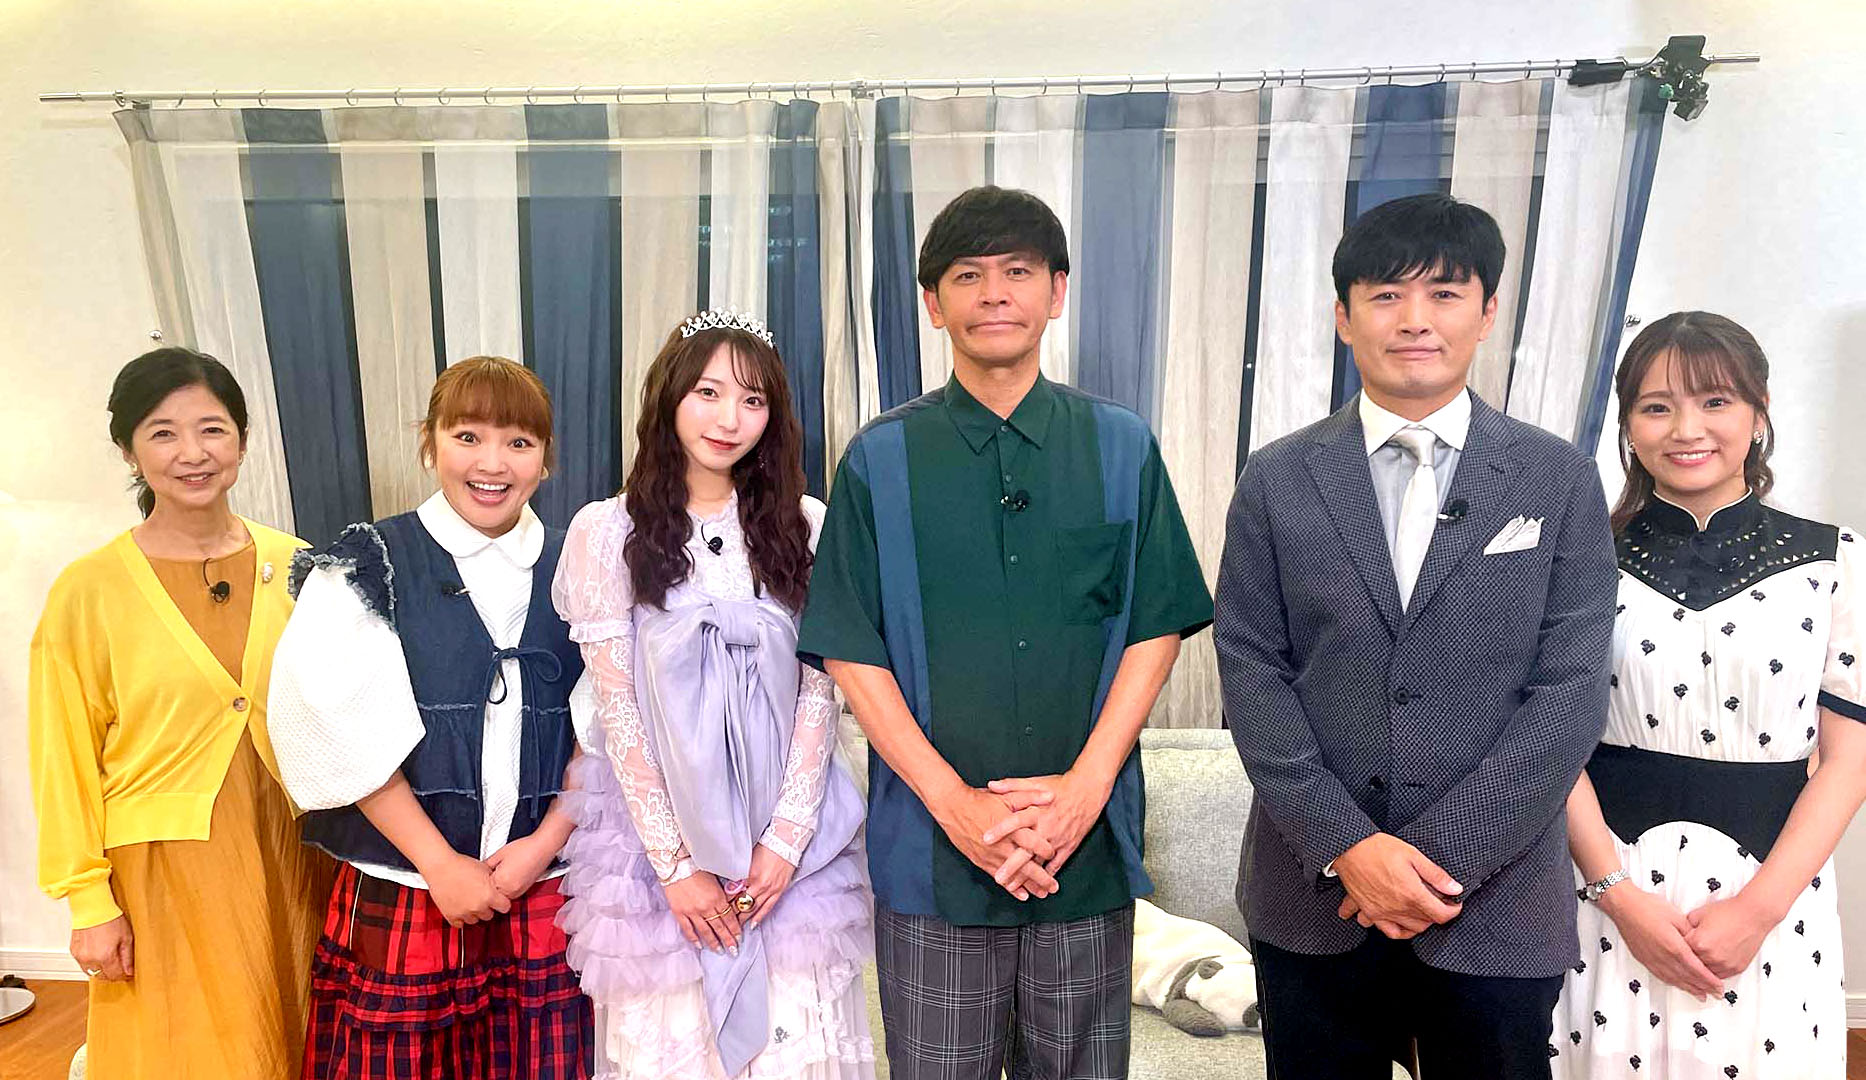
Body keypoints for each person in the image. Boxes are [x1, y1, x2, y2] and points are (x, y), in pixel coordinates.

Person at [798, 186, 1213, 1080]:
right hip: (934, 858)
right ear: (932, 302)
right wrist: (959, 807)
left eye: (1018, 271)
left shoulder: (1121, 445)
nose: (994, 293)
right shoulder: (879, 459)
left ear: (1056, 291)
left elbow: (1155, 626)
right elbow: (850, 649)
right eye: (968, 275)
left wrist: (1082, 793)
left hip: (1083, 851)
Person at [1214, 192, 1619, 1079]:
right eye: (1386, 295)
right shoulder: (1277, 479)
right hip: (1314, 895)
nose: (1414, 320)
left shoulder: (1556, 478)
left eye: (1443, 293)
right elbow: (1250, 669)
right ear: (1343, 316)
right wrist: (1349, 849)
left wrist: (1437, 862)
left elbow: (1571, 692)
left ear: (1488, 312)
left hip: (1498, 899)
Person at [551, 311, 874, 1080]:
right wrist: (677, 867)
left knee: (797, 1046)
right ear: (669, 397)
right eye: (708, 392)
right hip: (657, 841)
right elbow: (619, 711)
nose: (730, 419)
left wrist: (784, 844)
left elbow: (819, 698)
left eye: (753, 400)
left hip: (788, 840)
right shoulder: (607, 532)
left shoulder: (807, 526)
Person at [1550, 312, 1866, 1078]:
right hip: (1608, 890)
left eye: (1716, 401)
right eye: (1657, 406)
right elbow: (1549, 743)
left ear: (1759, 413)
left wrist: (1757, 912)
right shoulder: (1580, 556)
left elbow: (1850, 759)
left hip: (1773, 897)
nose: (1686, 429)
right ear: (1628, 426)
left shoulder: (1835, 563)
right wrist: (1620, 898)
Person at [267, 356, 592, 1080]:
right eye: (467, 436)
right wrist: (439, 864)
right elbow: (337, 729)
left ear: (545, 457)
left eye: (518, 442)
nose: (492, 464)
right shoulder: (368, 564)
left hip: (546, 884)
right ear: (430, 441)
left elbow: (607, 728)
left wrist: (544, 844)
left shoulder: (583, 564)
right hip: (411, 885)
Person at [29, 346, 335, 1078]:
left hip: (292, 848)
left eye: (212, 429)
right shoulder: (89, 589)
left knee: (299, 1034)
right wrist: (87, 901)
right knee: (192, 1048)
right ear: (128, 450)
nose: (192, 453)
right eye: (163, 433)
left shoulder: (297, 564)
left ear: (242, 441)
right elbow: (61, 754)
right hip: (164, 869)